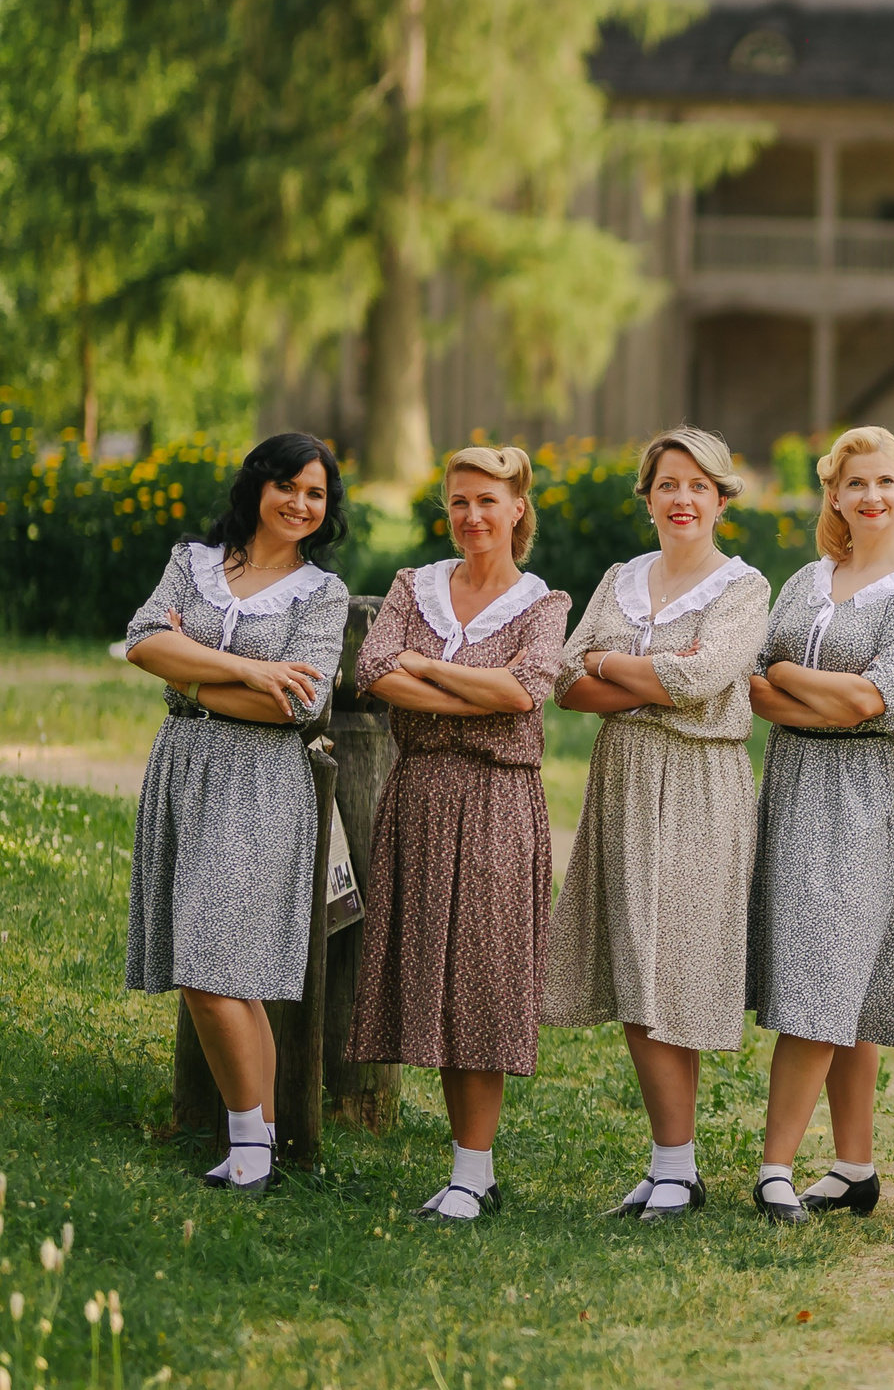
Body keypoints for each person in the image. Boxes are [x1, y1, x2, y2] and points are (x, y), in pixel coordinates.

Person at [544, 427, 770, 1221]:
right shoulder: (620, 579)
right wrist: (641, 677)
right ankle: (670, 1163)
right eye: (668, 484)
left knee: (671, 959)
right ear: (648, 496)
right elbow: (564, 680)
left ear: (720, 500)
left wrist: (615, 666)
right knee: (634, 958)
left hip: (701, 782)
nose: (683, 499)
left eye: (699, 486)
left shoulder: (743, 587)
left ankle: (677, 1166)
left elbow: (707, 678)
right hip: (624, 778)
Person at [124, 433, 353, 1194]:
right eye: (287, 484)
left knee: (215, 964)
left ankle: (252, 1144)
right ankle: (253, 1140)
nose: (299, 502)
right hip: (185, 768)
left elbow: (302, 703)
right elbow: (143, 641)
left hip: (261, 782)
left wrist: (191, 673)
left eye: (315, 493)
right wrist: (250, 667)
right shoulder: (192, 561)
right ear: (259, 485)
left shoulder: (322, 593)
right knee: (222, 973)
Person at [348, 445, 569, 1222]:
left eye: (488, 501)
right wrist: (470, 683)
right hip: (419, 795)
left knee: (481, 977)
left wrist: (424, 667)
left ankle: (476, 1172)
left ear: (518, 510)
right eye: (459, 502)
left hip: (498, 802)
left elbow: (525, 689)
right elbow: (372, 669)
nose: (473, 516)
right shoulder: (416, 586)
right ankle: (463, 1168)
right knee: (433, 979)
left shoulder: (544, 604)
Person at [743, 426, 894, 1225]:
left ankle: (774, 1168)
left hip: (865, 790)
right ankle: (855, 1166)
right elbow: (753, 684)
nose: (869, 496)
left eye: (884, 482)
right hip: (794, 780)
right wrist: (801, 687)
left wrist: (793, 677)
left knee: (825, 979)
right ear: (834, 493)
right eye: (853, 482)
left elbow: (878, 697)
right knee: (842, 982)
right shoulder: (807, 578)